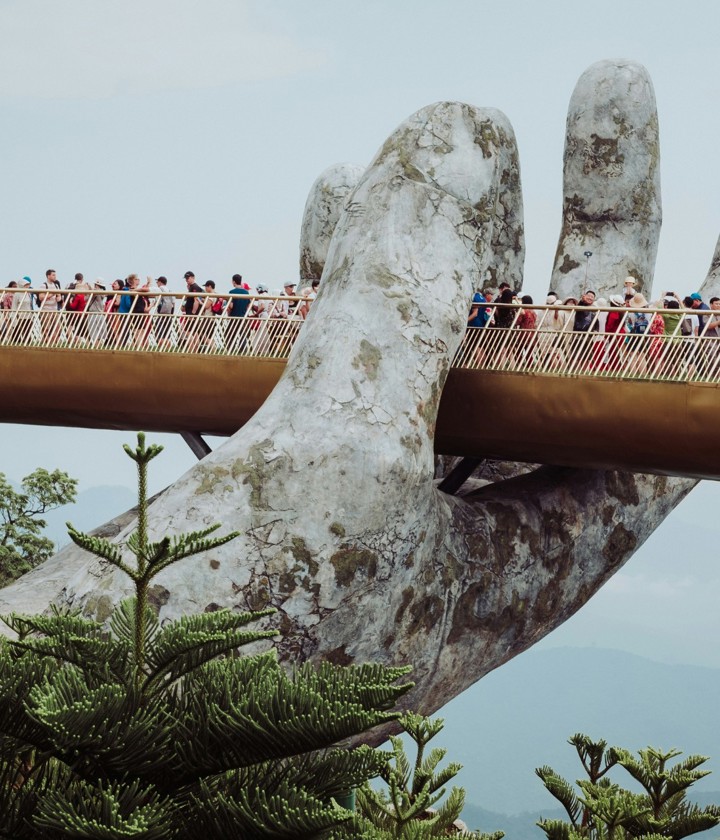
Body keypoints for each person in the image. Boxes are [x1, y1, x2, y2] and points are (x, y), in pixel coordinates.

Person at [225, 273, 250, 352]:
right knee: (242, 335)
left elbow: (231, 306)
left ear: (234, 282)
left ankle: (231, 350)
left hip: (234, 316)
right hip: (243, 316)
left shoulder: (232, 292)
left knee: (229, 335)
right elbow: (248, 305)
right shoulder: (246, 293)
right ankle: (243, 351)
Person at [37, 268, 63, 343]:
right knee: (46, 328)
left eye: (55, 275)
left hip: (54, 310)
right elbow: (41, 297)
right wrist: (52, 294)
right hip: (46, 310)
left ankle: (53, 342)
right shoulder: (43, 285)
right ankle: (46, 342)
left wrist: (59, 297)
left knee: (58, 328)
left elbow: (58, 297)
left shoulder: (56, 286)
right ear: (48, 276)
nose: (55, 276)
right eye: (53, 275)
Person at [153, 276, 175, 349]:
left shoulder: (159, 289)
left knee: (159, 335)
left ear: (160, 282)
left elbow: (158, 302)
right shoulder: (170, 290)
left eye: (157, 282)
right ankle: (168, 351)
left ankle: (161, 351)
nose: (157, 283)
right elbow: (173, 303)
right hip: (169, 315)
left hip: (161, 314)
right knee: (167, 336)